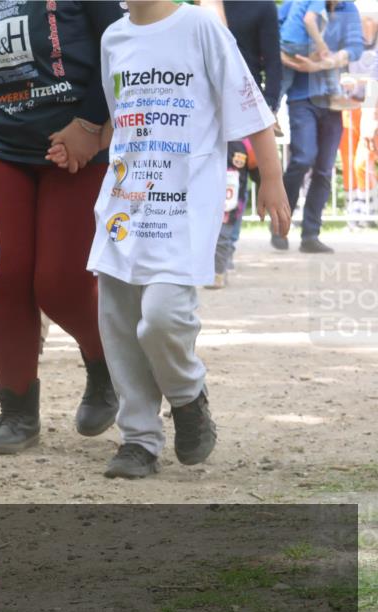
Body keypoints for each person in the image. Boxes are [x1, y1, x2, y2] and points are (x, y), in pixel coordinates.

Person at [50, 0, 290, 479]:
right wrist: (82, 143)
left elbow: (249, 104)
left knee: (162, 317)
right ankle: (138, 440)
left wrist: (272, 178)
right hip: (123, 202)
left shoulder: (200, 26)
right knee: (118, 325)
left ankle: (187, 395)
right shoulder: (114, 38)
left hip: (183, 206)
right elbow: (123, 121)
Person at [0, 0, 123, 455]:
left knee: (60, 285)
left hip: (81, 143)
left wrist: (90, 122)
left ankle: (109, 370)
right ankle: (18, 411)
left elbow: (121, 45)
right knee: (0, 276)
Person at [274, 0, 364, 253]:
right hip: (301, 97)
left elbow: (356, 48)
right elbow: (273, 33)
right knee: (303, 158)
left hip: (333, 101)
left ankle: (310, 235)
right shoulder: (297, 3)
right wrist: (283, 56)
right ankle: (280, 225)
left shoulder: (349, 10)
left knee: (324, 169)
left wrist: (325, 63)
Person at [339, 0, 378, 224]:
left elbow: (374, 81)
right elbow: (341, 77)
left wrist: (358, 81)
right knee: (348, 158)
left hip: (371, 106)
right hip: (349, 106)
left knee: (363, 160)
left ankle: (367, 206)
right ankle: (354, 207)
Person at [209, 138, 257, 289]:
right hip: (206, 199)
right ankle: (212, 270)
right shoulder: (205, 137)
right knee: (208, 237)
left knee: (222, 237)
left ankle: (218, 273)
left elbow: (257, 172)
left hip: (232, 203)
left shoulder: (247, 144)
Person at [278, 0, 331, 100]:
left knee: (284, 81)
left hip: (285, 42)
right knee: (326, 57)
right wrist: (321, 45)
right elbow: (309, 20)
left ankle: (271, 108)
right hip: (300, 44)